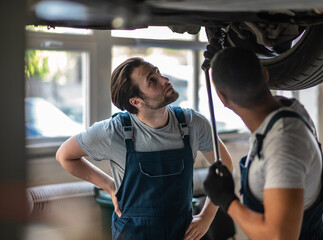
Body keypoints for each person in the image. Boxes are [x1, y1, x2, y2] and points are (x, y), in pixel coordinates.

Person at [56, 57, 233, 240]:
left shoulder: (193, 124)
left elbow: (225, 165)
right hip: (134, 234)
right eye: (152, 80)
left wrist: (207, 217)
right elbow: (65, 155)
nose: (165, 79)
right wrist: (109, 186)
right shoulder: (113, 131)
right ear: (136, 102)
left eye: (158, 72)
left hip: (182, 232)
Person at [203, 47, 323, 240]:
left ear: (222, 98)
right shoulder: (284, 113)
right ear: (265, 73)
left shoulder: (284, 143)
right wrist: (226, 56)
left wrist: (227, 200)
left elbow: (279, 236)